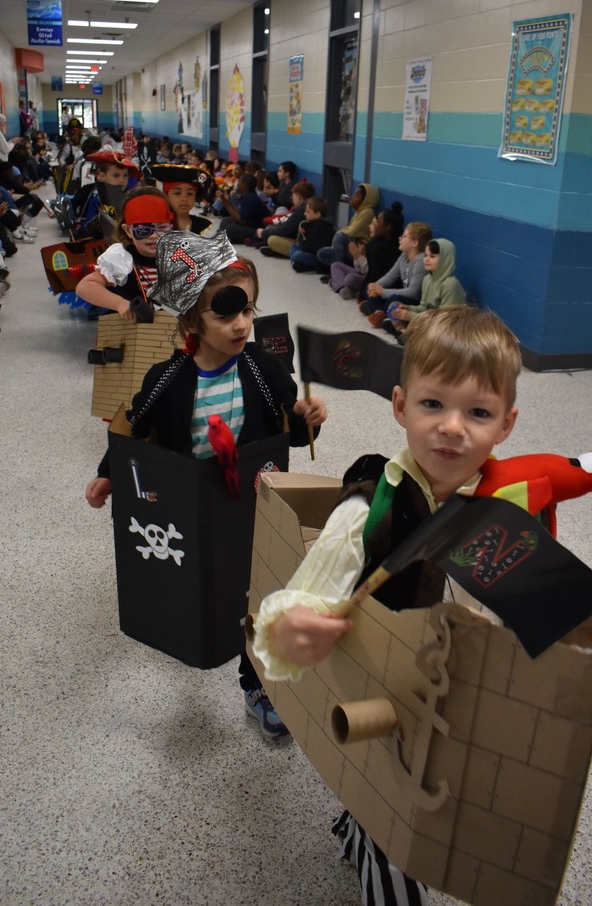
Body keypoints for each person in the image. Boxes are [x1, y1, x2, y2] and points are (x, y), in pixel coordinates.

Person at [252, 304, 522, 905]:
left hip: (461, 698)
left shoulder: (509, 508)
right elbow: (302, 594)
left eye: (478, 412)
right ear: (400, 405)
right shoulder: (373, 502)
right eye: (433, 404)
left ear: (506, 423)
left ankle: (359, 825)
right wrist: (290, 629)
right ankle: (371, 838)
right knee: (397, 835)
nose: (452, 427)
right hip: (389, 703)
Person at [85, 231, 328, 739]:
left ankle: (258, 683)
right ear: (192, 321)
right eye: (226, 314)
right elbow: (134, 428)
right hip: (192, 508)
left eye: (249, 310)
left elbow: (291, 429)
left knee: (261, 589)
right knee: (205, 584)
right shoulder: (168, 377)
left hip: (257, 501)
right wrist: (110, 473)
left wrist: (307, 416)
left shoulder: (264, 369)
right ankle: (199, 635)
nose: (242, 324)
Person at [75, 186, 175, 319]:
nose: (153, 236)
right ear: (128, 230)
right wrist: (119, 303)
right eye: (143, 230)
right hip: (136, 329)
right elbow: (84, 287)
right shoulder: (122, 258)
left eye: (161, 228)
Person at [388, 237, 466, 343]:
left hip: (445, 328)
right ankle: (402, 331)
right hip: (427, 320)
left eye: (432, 256)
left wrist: (411, 316)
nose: (426, 259)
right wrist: (407, 308)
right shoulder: (427, 279)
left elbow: (444, 321)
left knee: (432, 332)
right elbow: (423, 307)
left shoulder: (450, 284)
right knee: (395, 305)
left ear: (445, 259)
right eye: (426, 255)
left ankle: (409, 335)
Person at [359, 221, 432, 327]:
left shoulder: (421, 260)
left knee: (394, 299)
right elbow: (390, 276)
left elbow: (413, 293)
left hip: (414, 302)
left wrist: (383, 292)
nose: (400, 238)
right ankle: (379, 312)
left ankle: (375, 309)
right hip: (404, 295)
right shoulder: (404, 255)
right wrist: (375, 286)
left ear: (414, 243)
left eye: (404, 236)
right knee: (370, 289)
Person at [316, 182, 380, 269]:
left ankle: (339, 270)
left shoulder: (368, 212)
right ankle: (341, 267)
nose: (352, 197)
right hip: (351, 248)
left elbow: (351, 232)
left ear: (365, 200)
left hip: (361, 250)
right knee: (321, 253)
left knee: (340, 235)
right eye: (353, 195)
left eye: (356, 196)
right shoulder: (358, 212)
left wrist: (337, 235)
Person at [259, 180, 315, 258]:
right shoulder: (310, 207)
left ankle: (281, 251)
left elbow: (285, 230)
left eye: (293, 196)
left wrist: (264, 233)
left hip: (302, 244)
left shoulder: (301, 211)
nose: (292, 198)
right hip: (306, 241)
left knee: (272, 240)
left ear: (298, 197)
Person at [150, 164, 212, 234]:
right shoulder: (157, 225)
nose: (184, 199)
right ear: (166, 196)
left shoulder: (201, 225)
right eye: (177, 193)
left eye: (190, 194)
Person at [289, 196, 335, 272]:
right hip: (309, 252)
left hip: (318, 259)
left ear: (317, 214)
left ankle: (299, 263)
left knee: (297, 255)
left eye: (308, 212)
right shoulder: (309, 223)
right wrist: (302, 235)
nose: (305, 214)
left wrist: (305, 236)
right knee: (293, 247)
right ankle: (298, 264)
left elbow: (315, 249)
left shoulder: (323, 227)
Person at [220, 173, 269, 244]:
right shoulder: (247, 196)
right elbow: (239, 214)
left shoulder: (251, 199)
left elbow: (242, 221)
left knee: (231, 228)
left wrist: (227, 205)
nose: (237, 184)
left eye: (239, 182)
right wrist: (227, 203)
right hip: (250, 225)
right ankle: (225, 237)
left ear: (244, 185)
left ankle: (243, 239)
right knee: (225, 221)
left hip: (258, 229)